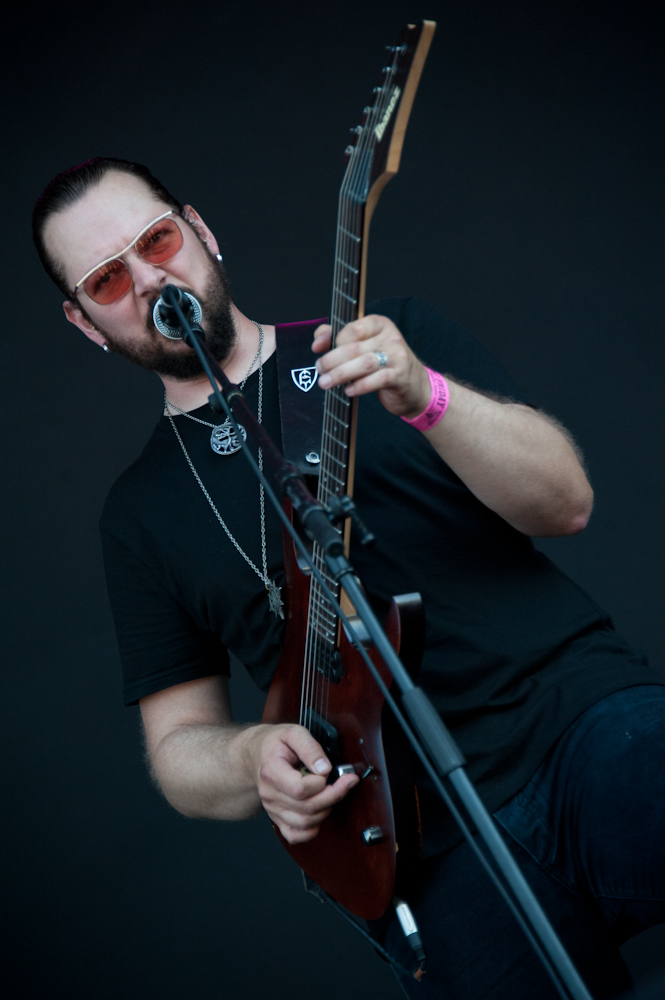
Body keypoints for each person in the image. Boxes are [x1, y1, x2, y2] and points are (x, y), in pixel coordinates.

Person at [33, 157, 665, 999]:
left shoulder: (381, 342)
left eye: (157, 241)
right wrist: (254, 752)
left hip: (584, 726)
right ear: (85, 322)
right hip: (412, 848)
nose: (152, 280)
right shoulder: (139, 513)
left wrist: (426, 396)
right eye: (109, 279)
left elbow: (565, 502)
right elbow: (179, 750)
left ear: (200, 230)